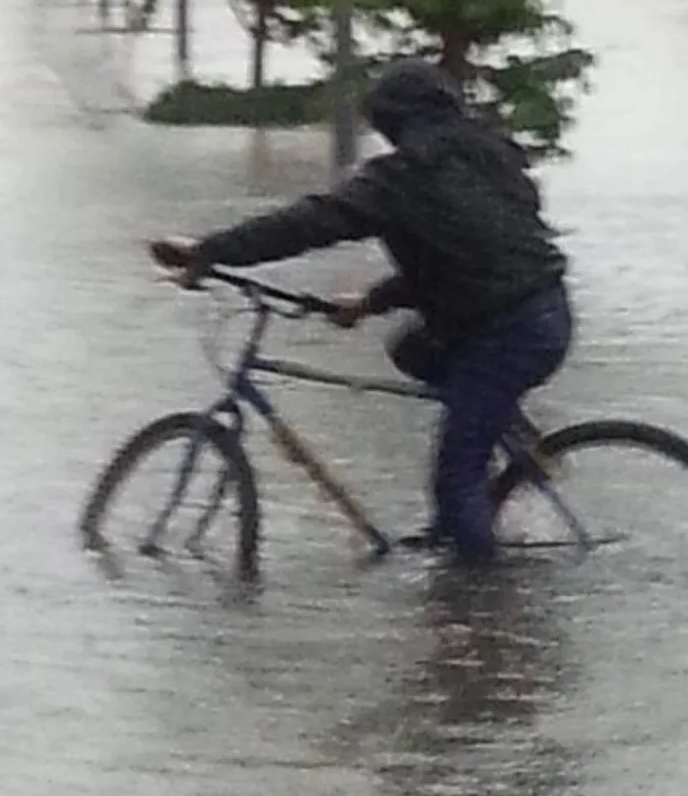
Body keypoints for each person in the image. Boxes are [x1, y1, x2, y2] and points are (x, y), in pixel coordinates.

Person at [154, 57, 573, 565]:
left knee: (455, 482)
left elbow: (309, 223)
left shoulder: (401, 179)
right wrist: (372, 301)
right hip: (540, 312)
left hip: (506, 332)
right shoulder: (492, 157)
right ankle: (499, 439)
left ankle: (485, 600)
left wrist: (210, 251)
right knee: (411, 349)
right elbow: (464, 259)